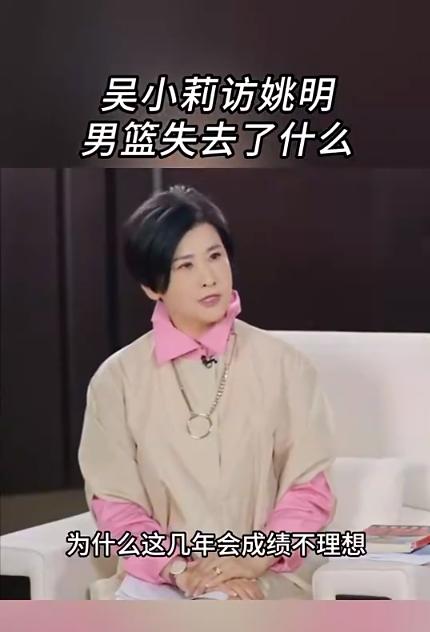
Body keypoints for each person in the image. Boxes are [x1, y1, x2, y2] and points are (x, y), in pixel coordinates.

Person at [78, 185, 336, 601]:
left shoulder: (287, 367)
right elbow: (116, 505)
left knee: (226, 616)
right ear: (152, 286)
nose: (209, 277)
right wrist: (178, 569)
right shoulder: (116, 380)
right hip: (159, 582)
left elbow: (309, 491)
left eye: (215, 256)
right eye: (185, 266)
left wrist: (251, 562)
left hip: (264, 577)